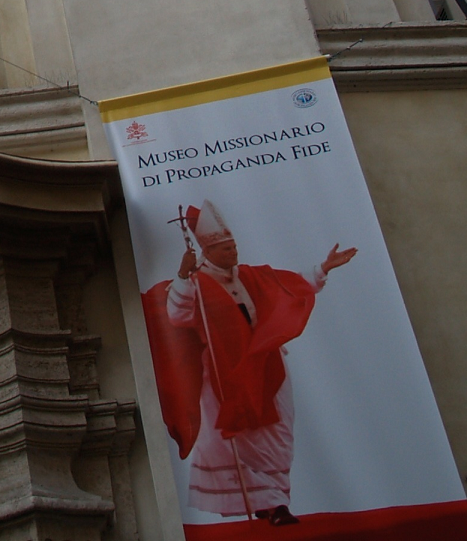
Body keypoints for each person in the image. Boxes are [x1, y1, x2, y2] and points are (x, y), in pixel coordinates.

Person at [147, 200, 356, 526]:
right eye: (227, 248)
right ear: (208, 251)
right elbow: (178, 314)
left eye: (234, 246)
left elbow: (290, 284)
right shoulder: (196, 283)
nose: (234, 252)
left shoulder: (250, 275)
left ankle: (275, 500)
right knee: (238, 441)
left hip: (266, 363)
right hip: (224, 369)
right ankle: (271, 504)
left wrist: (323, 268)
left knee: (277, 434)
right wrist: (183, 275)